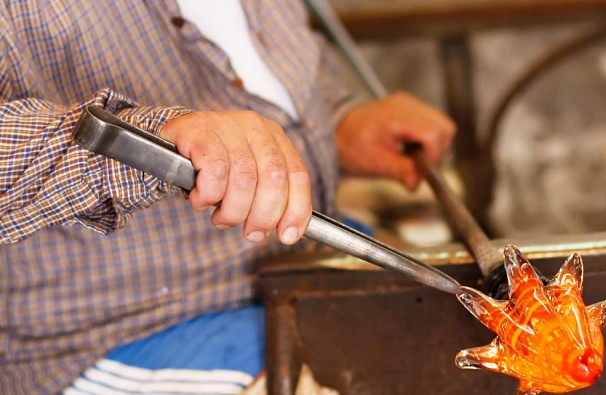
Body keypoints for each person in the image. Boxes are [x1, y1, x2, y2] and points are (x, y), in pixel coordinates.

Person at [0, 1, 456, 394]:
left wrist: (338, 121)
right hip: (113, 330)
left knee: (457, 343)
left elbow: (271, 68)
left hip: (291, 268)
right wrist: (150, 138)